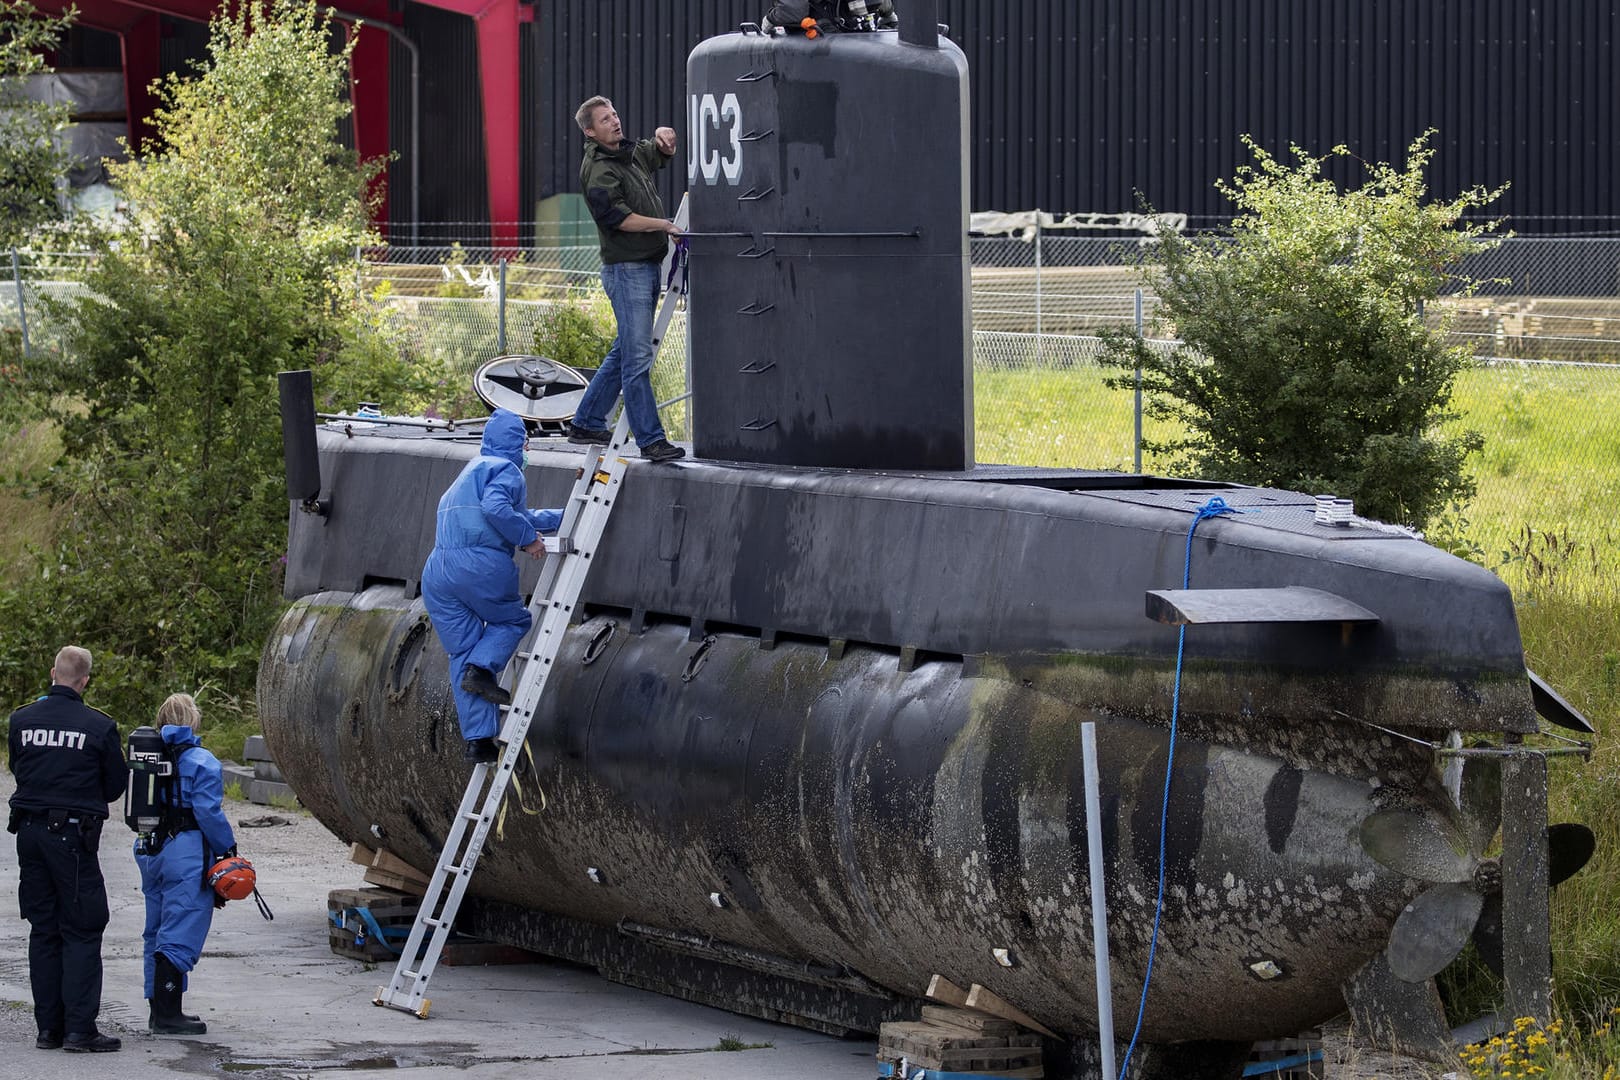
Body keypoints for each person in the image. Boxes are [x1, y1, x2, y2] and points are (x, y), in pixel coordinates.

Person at [422, 407, 563, 763]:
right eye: (525, 441)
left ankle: (479, 742)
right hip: (478, 565)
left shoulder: (470, 471)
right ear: (516, 443)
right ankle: (484, 668)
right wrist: (529, 539)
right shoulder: (508, 469)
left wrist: (562, 517)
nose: (527, 449)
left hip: (438, 571)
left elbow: (512, 514)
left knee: (462, 652)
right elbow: (497, 510)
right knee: (512, 621)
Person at [6, 646, 127, 1053]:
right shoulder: (98, 727)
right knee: (82, 928)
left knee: (44, 930)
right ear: (85, 681)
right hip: (72, 841)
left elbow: (18, 768)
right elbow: (114, 786)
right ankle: (79, 1030)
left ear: (53, 673)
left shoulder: (21, 720)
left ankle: (48, 1029)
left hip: (31, 837)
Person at [567, 94, 687, 464]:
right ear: (590, 131)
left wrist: (666, 139)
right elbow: (618, 219)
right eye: (605, 120)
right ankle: (651, 440)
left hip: (646, 265)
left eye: (615, 114)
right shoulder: (599, 169)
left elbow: (654, 152)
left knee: (624, 351)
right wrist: (665, 225)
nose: (615, 122)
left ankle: (586, 421)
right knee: (637, 358)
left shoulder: (626, 153)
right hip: (627, 270)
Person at [133, 692, 234, 1036]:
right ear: (193, 721)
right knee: (181, 929)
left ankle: (158, 1010)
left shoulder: (147, 756)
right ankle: (168, 1015)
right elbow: (208, 812)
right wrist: (228, 848)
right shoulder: (202, 762)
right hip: (185, 853)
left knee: (156, 930)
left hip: (150, 849)